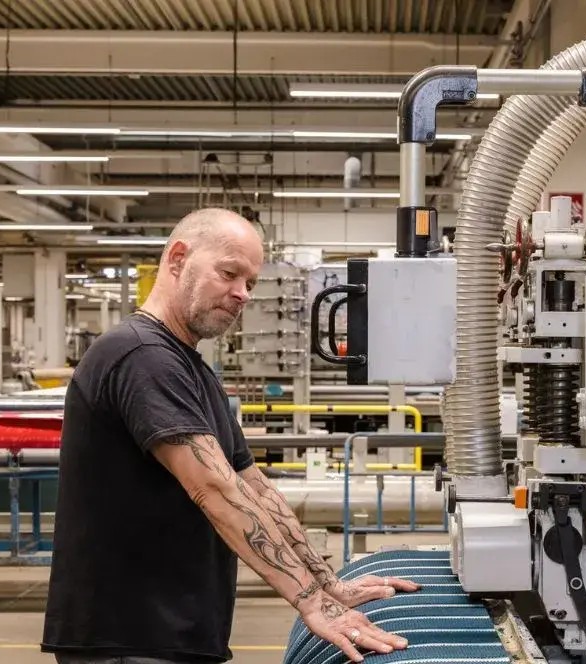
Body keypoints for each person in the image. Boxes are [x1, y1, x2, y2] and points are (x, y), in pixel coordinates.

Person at [41, 208, 418, 664]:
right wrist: (313, 604)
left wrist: (329, 584)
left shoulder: (191, 367)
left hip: (173, 633)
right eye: (229, 273)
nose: (241, 293)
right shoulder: (141, 356)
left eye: (251, 283)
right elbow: (215, 489)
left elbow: (250, 486)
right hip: (128, 639)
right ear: (178, 259)